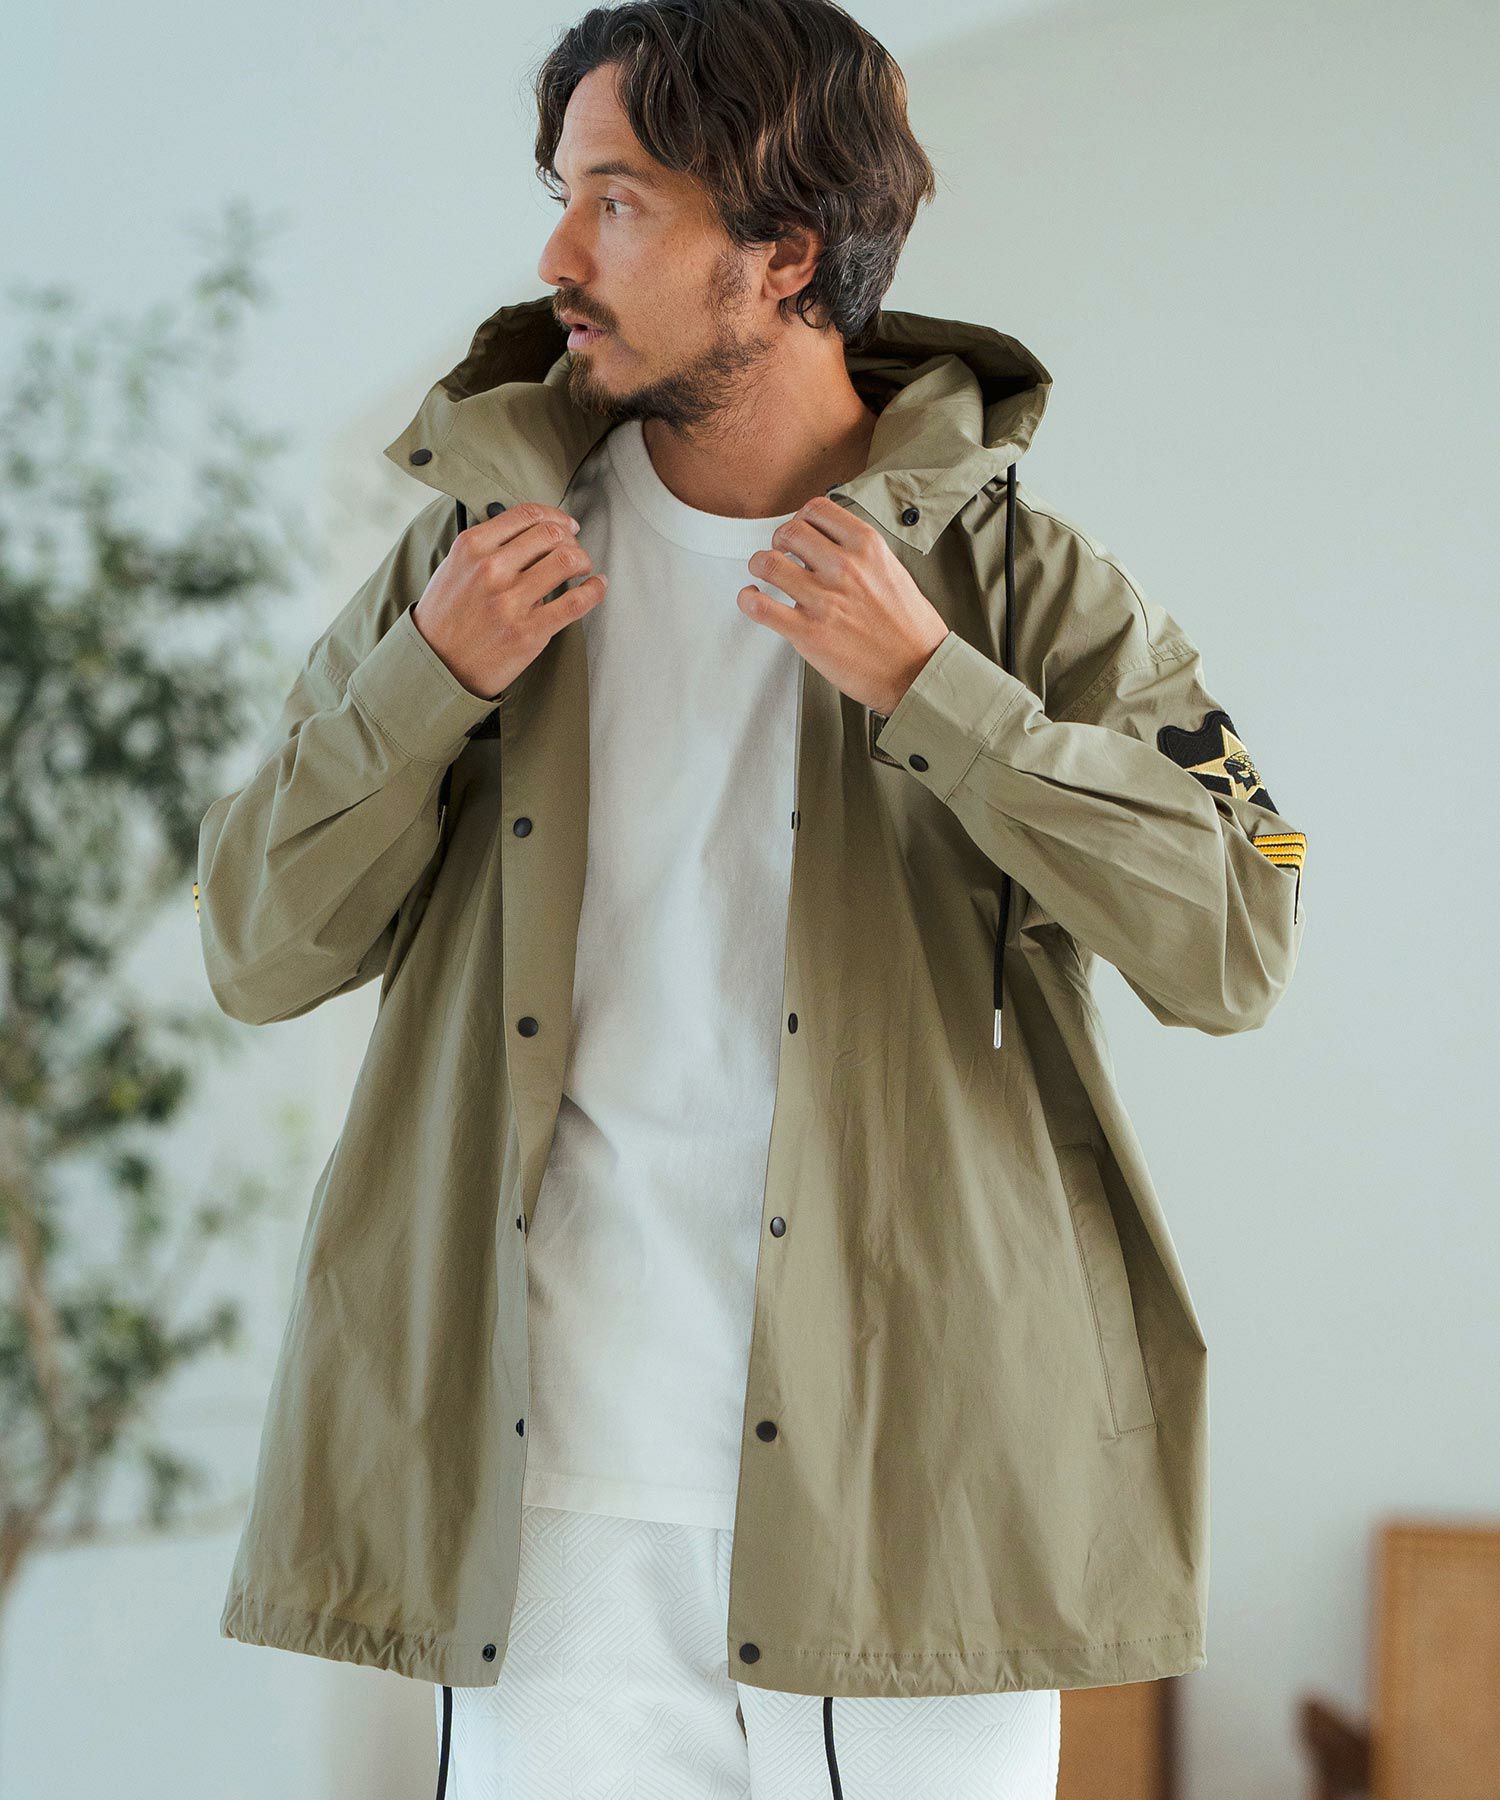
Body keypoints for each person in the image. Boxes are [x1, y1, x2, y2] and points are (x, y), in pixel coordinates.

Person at [196, 3, 1307, 1797]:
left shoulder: (1025, 584)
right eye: (563, 196)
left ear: (786, 250)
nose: (558, 259)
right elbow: (252, 945)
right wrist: (425, 684)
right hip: (541, 1523)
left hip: (912, 1496)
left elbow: (1246, 927)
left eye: (620, 203)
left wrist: (939, 690)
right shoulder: (470, 554)